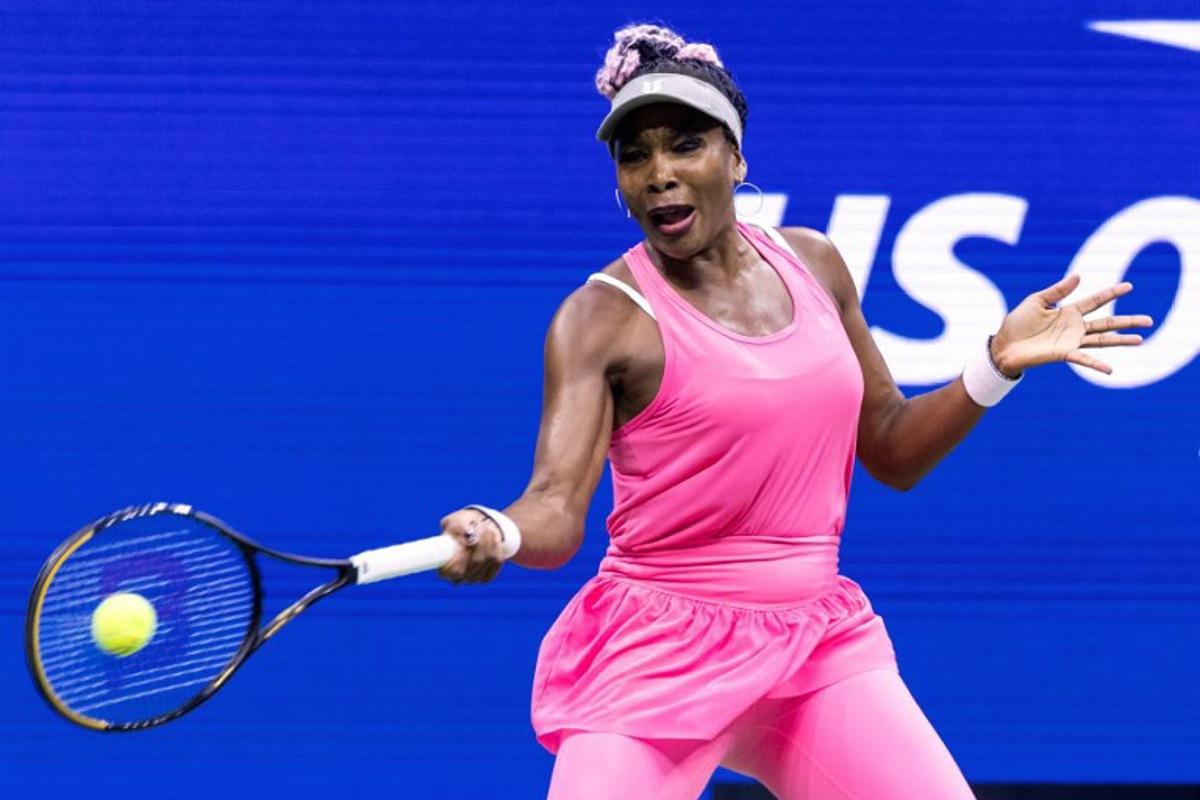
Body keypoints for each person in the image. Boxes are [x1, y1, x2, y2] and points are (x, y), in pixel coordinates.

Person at [433, 23, 1153, 800]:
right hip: (655, 656)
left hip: (816, 646)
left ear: (736, 158)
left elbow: (891, 449)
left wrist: (994, 364)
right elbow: (555, 507)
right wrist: (499, 530)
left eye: (686, 145)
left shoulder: (813, 263)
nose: (659, 174)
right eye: (634, 156)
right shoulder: (601, 317)